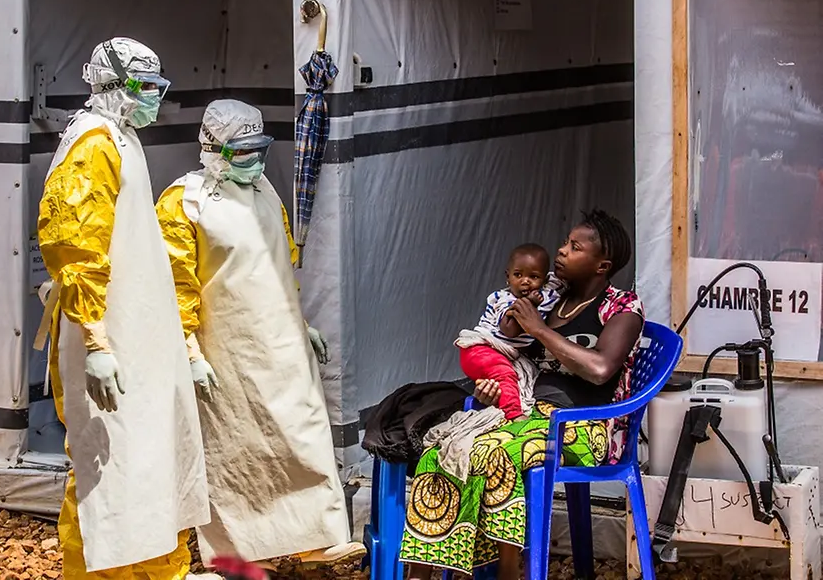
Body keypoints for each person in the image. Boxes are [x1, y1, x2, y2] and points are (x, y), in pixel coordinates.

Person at [155, 99, 366, 571]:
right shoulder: (183, 202)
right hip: (225, 347)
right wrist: (189, 350)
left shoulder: (266, 190)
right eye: (242, 151)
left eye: (258, 148)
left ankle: (319, 536)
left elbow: (278, 262)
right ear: (213, 148)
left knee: (303, 431)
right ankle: (243, 554)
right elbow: (174, 283)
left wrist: (301, 322)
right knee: (236, 449)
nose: (253, 160)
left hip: (282, 340)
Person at [35, 37, 215, 580]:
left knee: (148, 458)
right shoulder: (93, 143)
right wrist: (95, 341)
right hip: (107, 337)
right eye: (146, 86)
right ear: (114, 84)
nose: (155, 98)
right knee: (106, 468)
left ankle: (158, 569)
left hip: (131, 337)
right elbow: (75, 244)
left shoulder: (119, 137)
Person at [400, 210, 644, 579]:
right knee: (443, 452)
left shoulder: (621, 307)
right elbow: (513, 360)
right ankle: (421, 573)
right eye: (564, 242)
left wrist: (540, 330)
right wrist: (491, 388)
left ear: (601, 265)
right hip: (526, 413)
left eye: (574, 247)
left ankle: (507, 571)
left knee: (491, 453)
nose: (560, 251)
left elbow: (599, 370)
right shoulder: (549, 301)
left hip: (585, 425)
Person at [454, 243, 564, 420]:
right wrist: (530, 304)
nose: (525, 281)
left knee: (516, 379)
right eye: (518, 275)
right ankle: (513, 414)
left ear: (544, 280)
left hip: (502, 355)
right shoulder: (503, 299)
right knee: (505, 375)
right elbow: (509, 330)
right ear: (508, 277)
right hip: (480, 350)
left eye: (533, 276)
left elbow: (563, 281)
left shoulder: (548, 293)